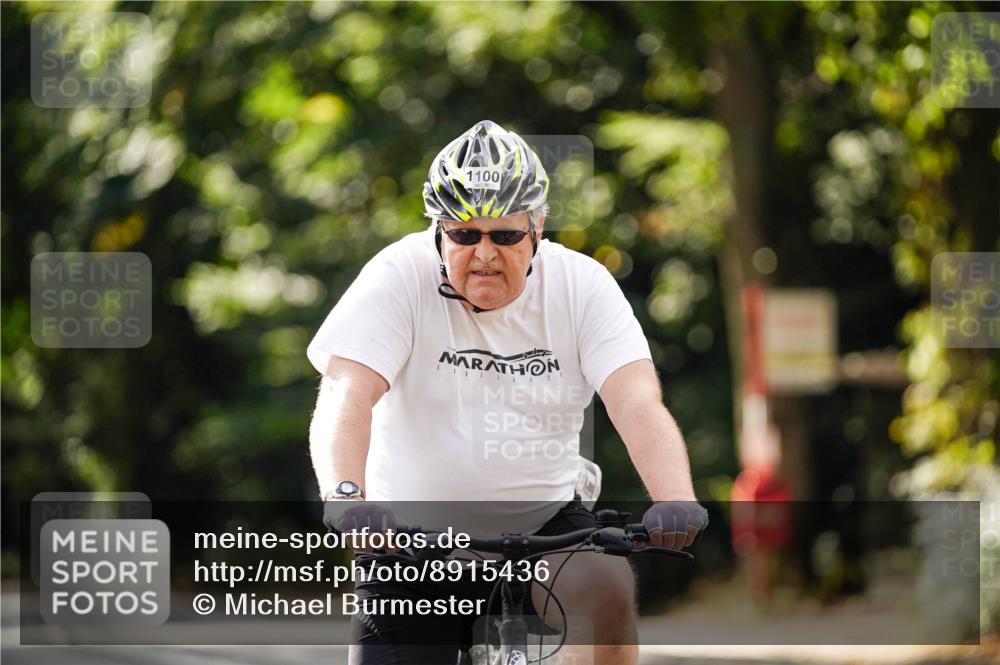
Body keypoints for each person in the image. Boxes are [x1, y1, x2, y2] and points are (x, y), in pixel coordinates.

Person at [307, 120, 708, 665]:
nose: (485, 253)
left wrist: (674, 498)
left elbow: (636, 401)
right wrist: (346, 495)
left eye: (506, 235)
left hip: (544, 528)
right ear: (439, 232)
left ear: (538, 228)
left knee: (609, 590)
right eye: (465, 235)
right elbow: (345, 392)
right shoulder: (399, 275)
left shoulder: (582, 285)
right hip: (408, 541)